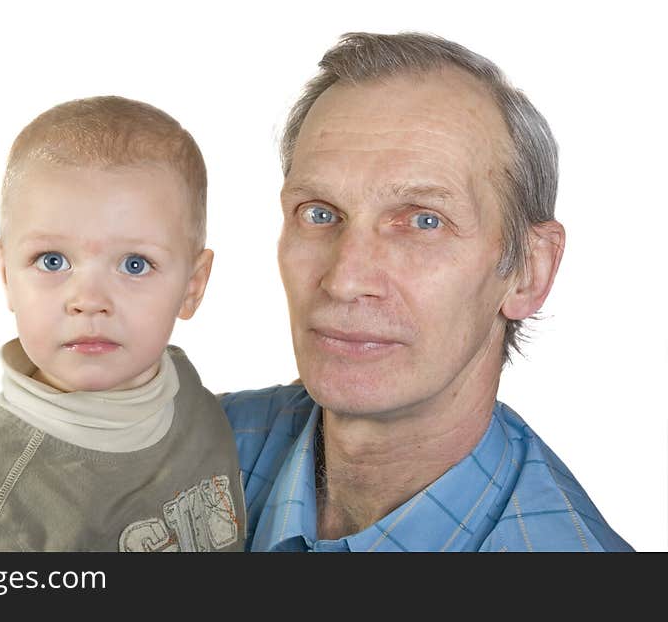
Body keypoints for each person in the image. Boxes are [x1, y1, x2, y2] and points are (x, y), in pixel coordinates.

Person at [222, 32, 633, 552]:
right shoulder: (178, 447)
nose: (345, 279)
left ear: (529, 271)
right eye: (320, 213)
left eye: (423, 221)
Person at [0, 96, 245, 551]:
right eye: (52, 260)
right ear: (7, 277)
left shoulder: (187, 392)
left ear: (192, 286)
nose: (88, 301)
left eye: (135, 265)